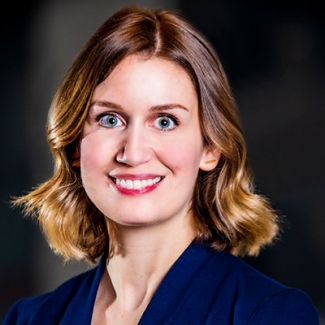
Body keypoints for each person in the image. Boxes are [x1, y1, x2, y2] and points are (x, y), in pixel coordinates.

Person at [3, 6, 320, 325]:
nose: (134, 152)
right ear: (75, 146)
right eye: (110, 119)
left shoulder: (269, 314)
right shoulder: (30, 319)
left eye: (165, 121)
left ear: (210, 148)